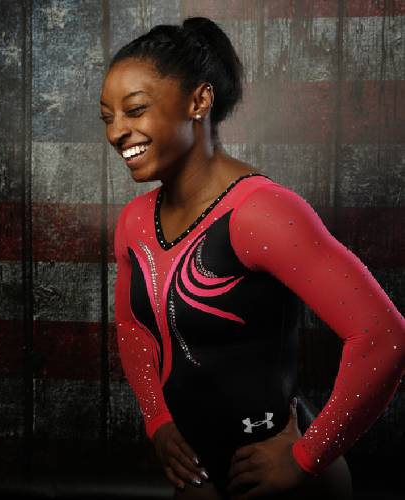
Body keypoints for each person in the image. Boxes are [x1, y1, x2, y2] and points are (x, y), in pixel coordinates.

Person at [99, 16, 405, 500]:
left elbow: (382, 336)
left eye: (134, 110)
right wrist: (157, 420)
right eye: (107, 117)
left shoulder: (260, 213)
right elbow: (136, 330)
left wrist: (308, 457)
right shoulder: (135, 222)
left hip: (283, 482)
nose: (118, 132)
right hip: (201, 475)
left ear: (199, 101)